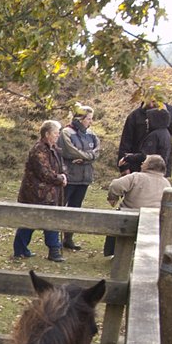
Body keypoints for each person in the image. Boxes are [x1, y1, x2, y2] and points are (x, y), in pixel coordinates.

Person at [13, 119, 67, 262]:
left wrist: (63, 175)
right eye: (56, 133)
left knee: (41, 221)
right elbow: (45, 173)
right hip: (36, 194)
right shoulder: (39, 150)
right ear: (47, 134)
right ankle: (50, 251)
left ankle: (24, 250)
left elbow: (61, 167)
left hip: (48, 194)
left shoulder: (54, 149)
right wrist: (60, 178)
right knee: (36, 221)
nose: (58, 135)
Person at [103, 153, 171, 256]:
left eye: (144, 162)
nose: (142, 164)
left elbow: (115, 185)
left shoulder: (136, 177)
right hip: (153, 222)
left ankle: (111, 253)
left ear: (148, 166)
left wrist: (113, 197)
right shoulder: (166, 183)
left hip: (128, 219)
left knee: (115, 221)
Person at [57, 103, 101, 251]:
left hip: (84, 177)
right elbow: (70, 152)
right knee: (61, 206)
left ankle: (68, 238)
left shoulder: (91, 134)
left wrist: (85, 159)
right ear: (80, 119)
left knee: (76, 208)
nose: (91, 121)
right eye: (88, 118)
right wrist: (88, 156)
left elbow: (97, 151)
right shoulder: (66, 133)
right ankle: (54, 237)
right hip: (70, 176)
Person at [118, 100, 172, 173]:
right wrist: (124, 167)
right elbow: (125, 142)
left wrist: (166, 114)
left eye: (154, 101)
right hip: (137, 168)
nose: (151, 104)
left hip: (161, 168)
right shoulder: (135, 116)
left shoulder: (168, 111)